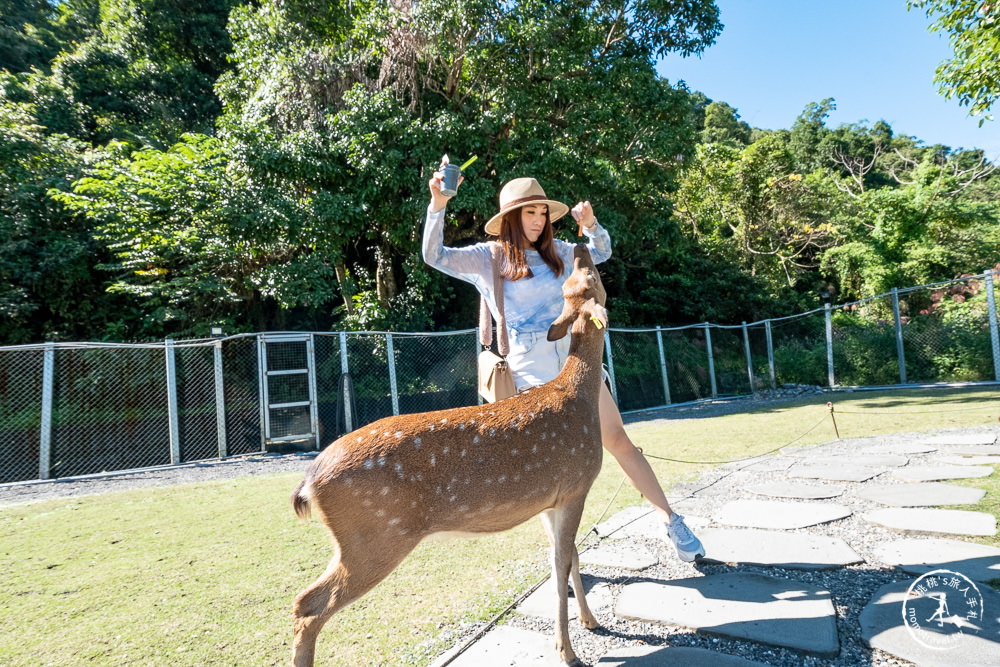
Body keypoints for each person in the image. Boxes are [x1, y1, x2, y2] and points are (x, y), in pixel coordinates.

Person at [421, 161, 705, 562]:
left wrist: (590, 224)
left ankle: (669, 520)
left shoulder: (563, 252)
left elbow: (601, 251)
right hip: (527, 369)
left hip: (575, 359)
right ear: (510, 218)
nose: (538, 221)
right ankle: (565, 565)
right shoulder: (489, 257)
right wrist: (438, 204)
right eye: (529, 213)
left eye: (542, 213)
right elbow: (434, 255)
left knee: (619, 440)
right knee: (549, 469)